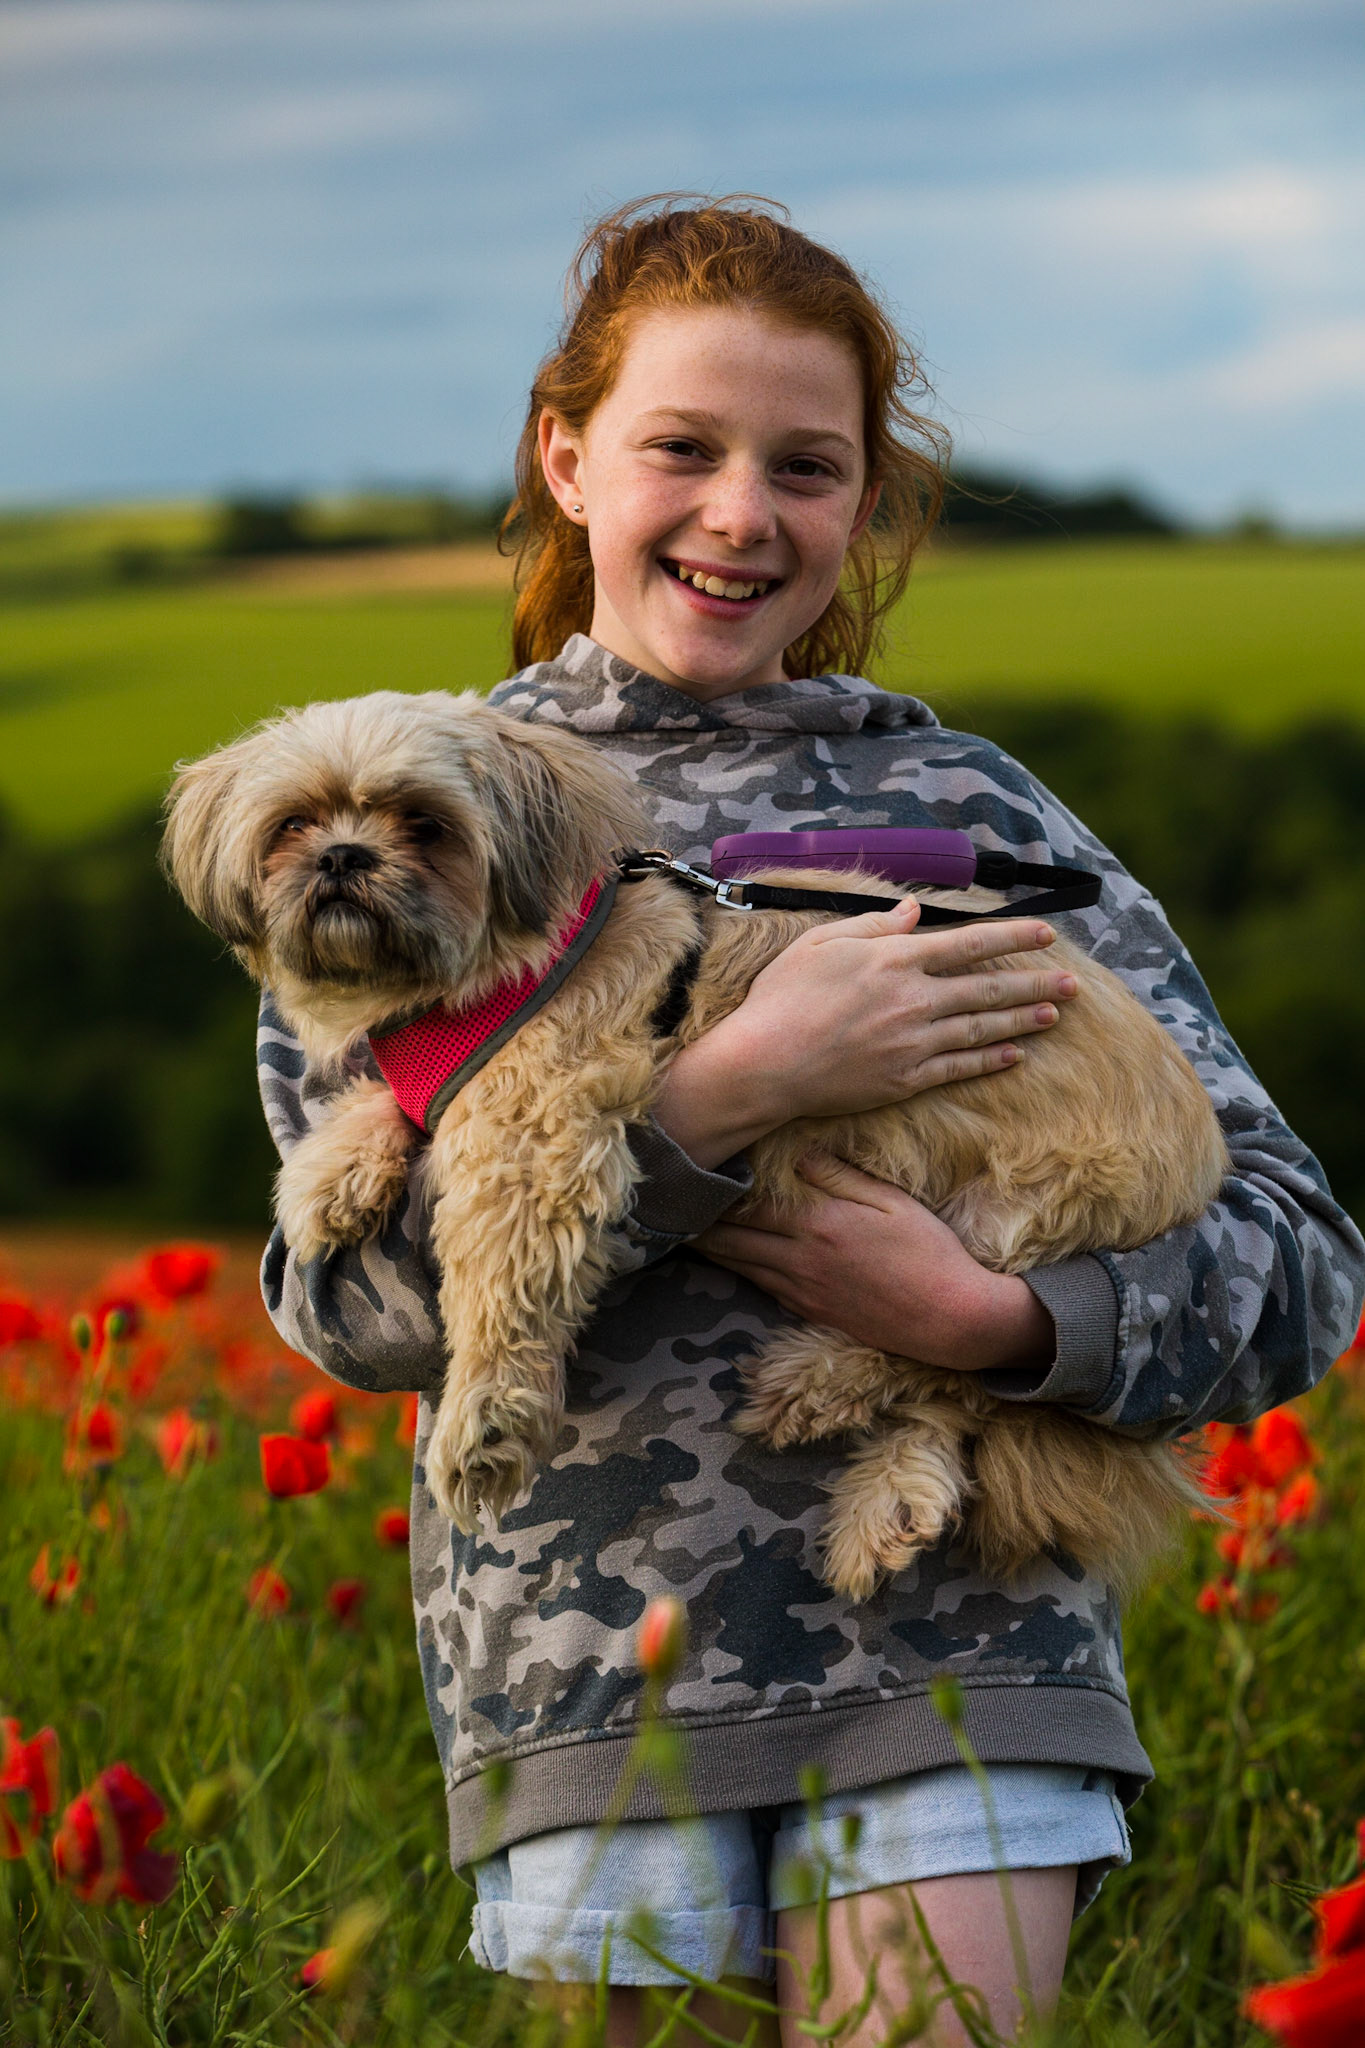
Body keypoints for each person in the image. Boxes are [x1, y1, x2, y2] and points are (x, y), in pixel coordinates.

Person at [255, 197, 1364, 2046]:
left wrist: (994, 1324)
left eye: (807, 465)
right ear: (567, 458)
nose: (739, 512)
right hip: (596, 1684)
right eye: (680, 447)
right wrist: (718, 1107)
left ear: (863, 504)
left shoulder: (975, 803)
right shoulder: (401, 804)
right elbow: (358, 1314)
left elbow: (1299, 1258)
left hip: (966, 1643)